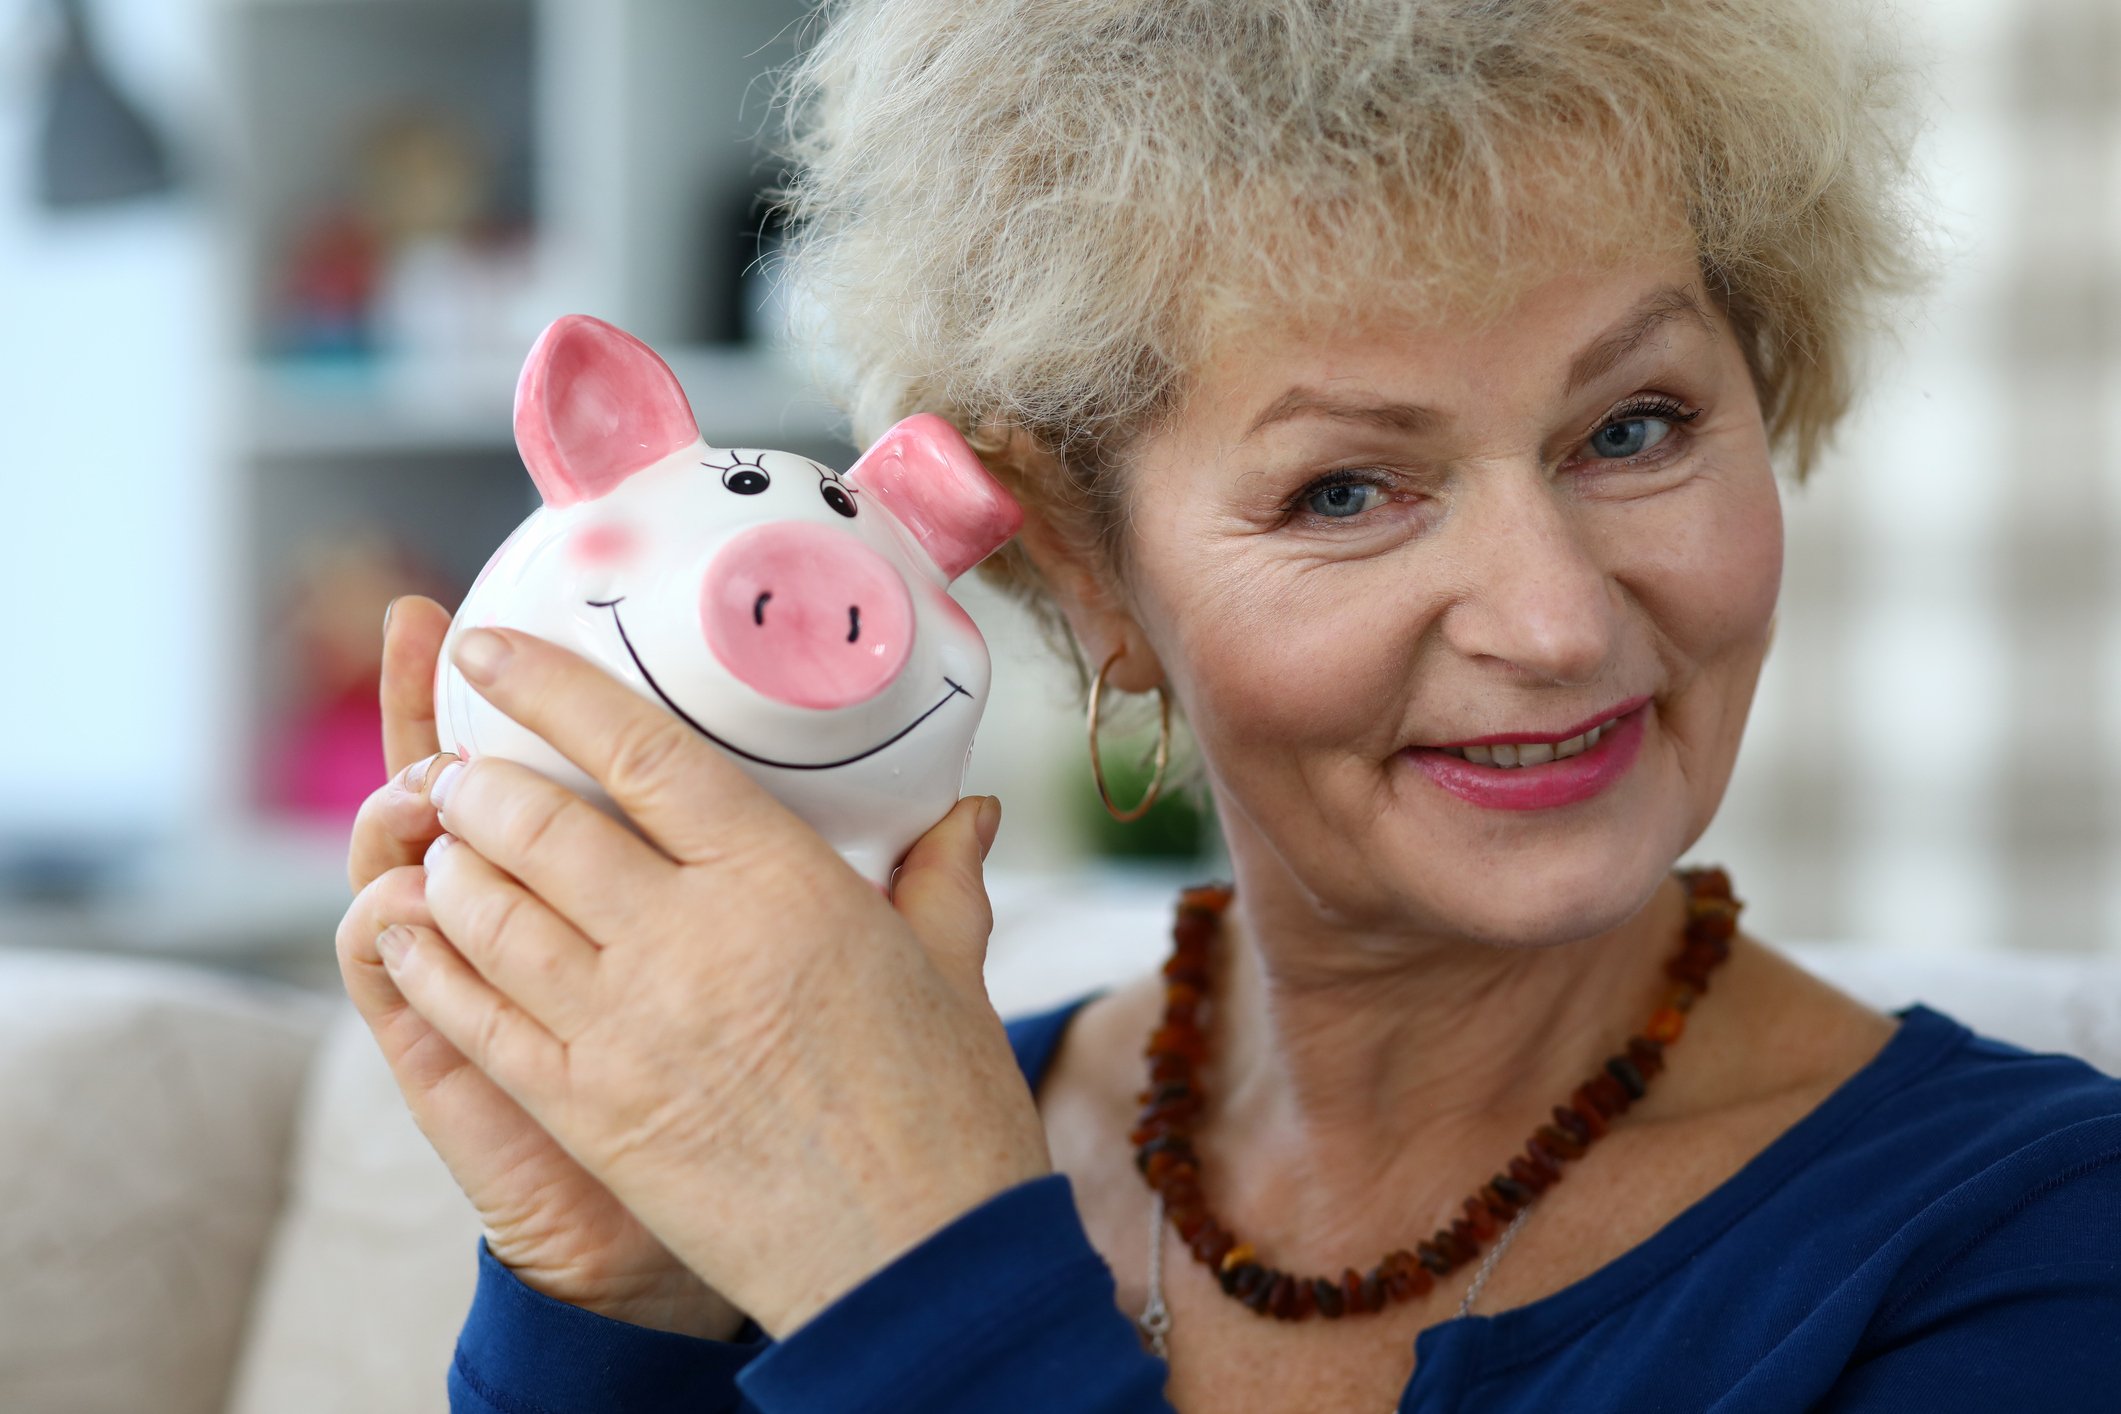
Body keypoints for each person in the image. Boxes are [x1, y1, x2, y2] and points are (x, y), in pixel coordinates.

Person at [337, 0, 2121, 1409]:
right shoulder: (849, 1150)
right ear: (1085, 574)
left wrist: (913, 1277)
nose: (1558, 621)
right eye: (1346, 489)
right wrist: (615, 1310)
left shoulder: (2031, 1235)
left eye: (1631, 428)